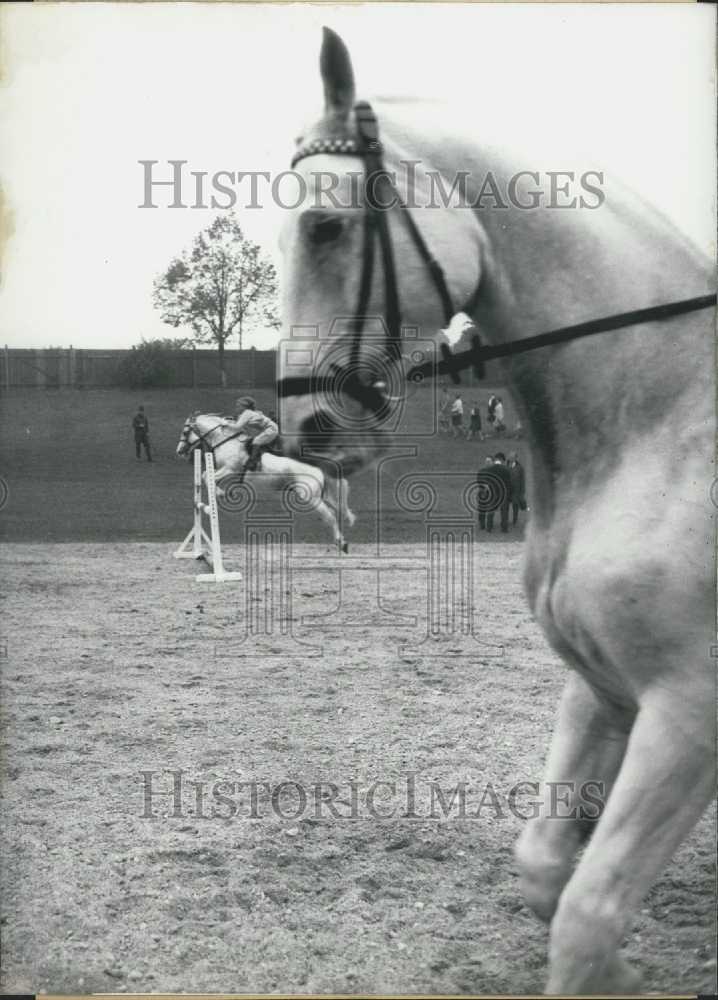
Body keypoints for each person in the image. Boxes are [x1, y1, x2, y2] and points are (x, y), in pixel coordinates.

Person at [219, 396, 279, 475]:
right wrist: (230, 422)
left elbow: (237, 427)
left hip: (271, 429)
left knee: (256, 441)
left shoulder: (247, 413)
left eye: (238, 406)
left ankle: (253, 462)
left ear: (244, 407)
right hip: (265, 429)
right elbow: (240, 427)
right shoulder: (244, 414)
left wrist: (226, 424)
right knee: (249, 441)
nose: (236, 408)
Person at [485, 452, 512, 533]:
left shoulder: (489, 469)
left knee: (491, 511)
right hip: (503, 493)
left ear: (496, 459)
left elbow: (488, 482)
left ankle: (489, 528)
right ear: (502, 460)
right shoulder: (506, 469)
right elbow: (508, 483)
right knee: (504, 512)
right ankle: (504, 529)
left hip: (493, 493)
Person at [507, 451, 527, 527]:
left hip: (516, 490)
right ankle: (505, 520)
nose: (511, 458)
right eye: (510, 457)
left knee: (515, 505)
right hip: (507, 490)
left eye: (512, 457)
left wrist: (522, 491)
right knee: (506, 506)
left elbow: (522, 480)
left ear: (516, 458)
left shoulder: (520, 468)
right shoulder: (506, 466)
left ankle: (515, 520)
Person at [477, 455, 495, 531]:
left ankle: (489, 525)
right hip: (482, 493)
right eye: (486, 461)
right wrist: (484, 485)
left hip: (492, 493)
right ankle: (482, 524)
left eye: (489, 461)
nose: (487, 463)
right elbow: (478, 480)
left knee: (491, 509)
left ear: (492, 462)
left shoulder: (495, 471)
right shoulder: (481, 471)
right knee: (481, 509)